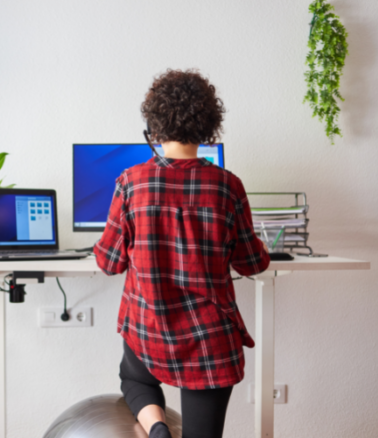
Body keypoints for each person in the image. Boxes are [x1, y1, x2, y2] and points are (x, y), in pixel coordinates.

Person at [93, 69, 270, 438]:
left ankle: (157, 427)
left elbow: (109, 263)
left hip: (149, 328)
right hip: (210, 340)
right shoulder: (228, 186)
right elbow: (252, 263)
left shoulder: (131, 183)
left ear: (154, 127)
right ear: (208, 126)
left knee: (134, 378)